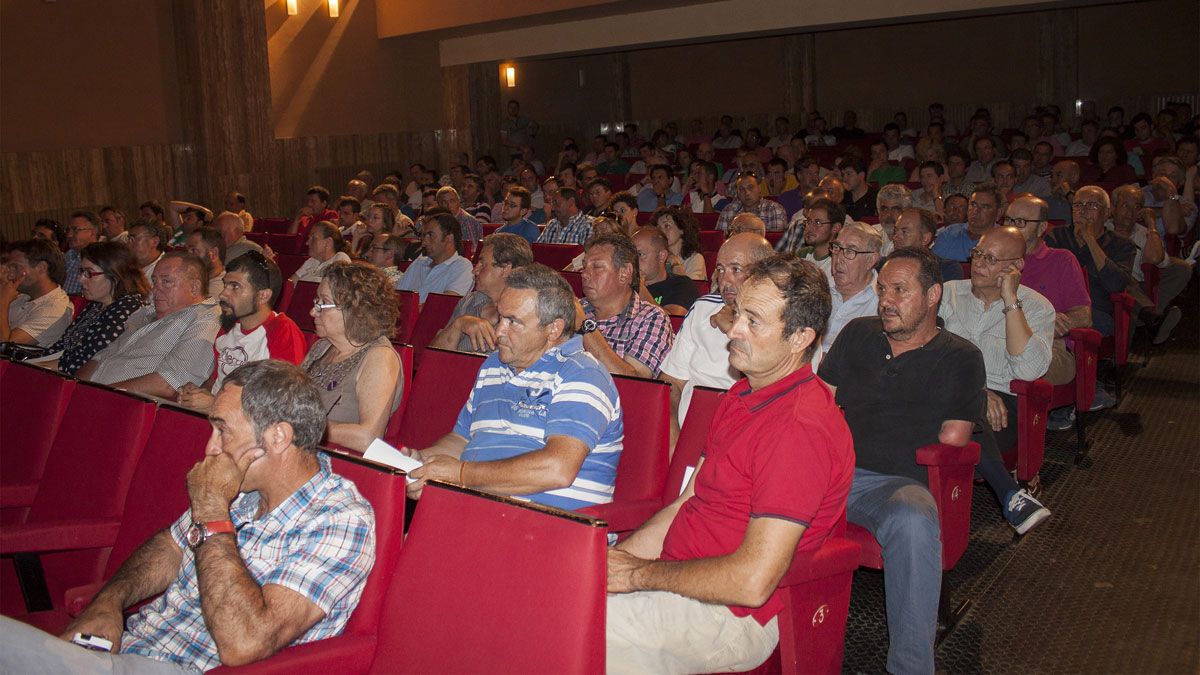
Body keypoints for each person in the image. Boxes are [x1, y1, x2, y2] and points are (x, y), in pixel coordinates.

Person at [0, 360, 375, 673]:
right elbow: (169, 547)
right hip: (132, 647)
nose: (210, 448)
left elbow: (245, 643)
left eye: (222, 430)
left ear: (277, 438)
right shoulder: (244, 491)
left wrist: (212, 509)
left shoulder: (339, 519)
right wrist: (107, 602)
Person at [606, 254, 854, 674]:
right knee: (558, 592)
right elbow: (687, 502)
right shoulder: (740, 397)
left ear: (800, 338)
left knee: (575, 630)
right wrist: (613, 566)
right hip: (673, 579)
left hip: (728, 615)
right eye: (738, 312)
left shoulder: (799, 429)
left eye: (753, 321)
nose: (733, 330)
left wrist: (634, 577)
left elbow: (753, 582)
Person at [818, 247, 985, 674]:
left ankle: (910, 668)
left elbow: (954, 438)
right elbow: (821, 403)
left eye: (900, 290)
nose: (886, 300)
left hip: (891, 485)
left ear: (933, 296)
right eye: (881, 290)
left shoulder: (960, 357)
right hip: (830, 470)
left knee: (913, 518)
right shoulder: (858, 333)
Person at [405, 263, 624, 511]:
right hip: (476, 512)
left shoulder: (582, 373)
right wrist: (422, 461)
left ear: (554, 329)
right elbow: (462, 439)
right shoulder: (493, 366)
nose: (498, 331)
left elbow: (557, 469)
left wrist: (462, 474)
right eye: (500, 317)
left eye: (513, 322)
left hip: (548, 528)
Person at [938, 227, 1055, 527]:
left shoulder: (1038, 307)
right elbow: (925, 352)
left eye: (991, 258)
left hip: (1003, 408)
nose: (979, 264)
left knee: (965, 413)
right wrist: (978, 390)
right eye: (978, 254)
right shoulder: (947, 293)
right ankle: (1010, 494)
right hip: (945, 393)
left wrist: (1010, 300)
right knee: (964, 404)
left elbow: (1029, 370)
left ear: (1015, 266)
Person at [659, 233, 774, 432]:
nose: (724, 281)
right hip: (688, 429)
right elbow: (671, 384)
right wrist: (672, 436)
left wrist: (731, 328)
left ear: (763, 274)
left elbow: (768, 398)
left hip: (745, 433)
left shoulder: (787, 325)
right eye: (720, 269)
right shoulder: (703, 309)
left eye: (736, 269)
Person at [78, 253, 221, 398]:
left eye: (166, 281)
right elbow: (102, 357)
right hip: (92, 394)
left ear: (194, 287)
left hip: (125, 405)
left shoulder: (205, 319)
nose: (155, 289)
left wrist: (99, 395)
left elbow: (170, 384)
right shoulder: (146, 312)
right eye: (154, 281)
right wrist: (76, 388)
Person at [178, 252, 307, 412]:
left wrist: (215, 404)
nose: (223, 294)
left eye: (235, 286)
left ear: (263, 296)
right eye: (225, 285)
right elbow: (217, 381)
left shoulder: (283, 331)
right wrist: (197, 392)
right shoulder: (228, 327)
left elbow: (280, 402)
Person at [301, 262, 403, 452]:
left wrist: (301, 426)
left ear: (355, 309)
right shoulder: (321, 348)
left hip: (337, 464)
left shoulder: (379, 357)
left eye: (323, 303)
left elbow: (369, 437)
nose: (313, 311)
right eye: (316, 302)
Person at [45, 242, 149, 376]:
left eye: (89, 273)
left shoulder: (127, 309)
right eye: (82, 272)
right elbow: (61, 346)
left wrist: (33, 367)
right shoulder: (97, 305)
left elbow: (80, 362)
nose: (80, 279)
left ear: (115, 275)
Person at [1045, 186, 1136, 339]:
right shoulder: (1058, 236)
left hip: (1096, 311)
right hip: (1056, 306)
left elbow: (1116, 285)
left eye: (1092, 205)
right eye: (1078, 205)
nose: (1083, 210)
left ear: (1106, 213)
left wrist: (1089, 239)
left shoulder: (1122, 245)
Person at [578, 233, 674, 378]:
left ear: (624, 273)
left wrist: (584, 326)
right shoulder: (577, 308)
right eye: (585, 266)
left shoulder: (651, 318)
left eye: (597, 267)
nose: (584, 274)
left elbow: (633, 383)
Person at [1107, 184, 1187, 345]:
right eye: (1124, 206)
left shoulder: (1143, 233)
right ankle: (1151, 318)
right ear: (1113, 208)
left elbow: (1156, 259)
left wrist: (1151, 224)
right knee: (1121, 279)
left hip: (1137, 284)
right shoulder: (1103, 228)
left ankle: (1149, 316)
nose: (1130, 213)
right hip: (1107, 281)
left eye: (1136, 207)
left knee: (1179, 268)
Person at [430, 233, 533, 354]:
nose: (474, 270)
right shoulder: (470, 301)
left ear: (505, 269)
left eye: (482, 264)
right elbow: (433, 356)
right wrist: (458, 325)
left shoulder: (527, 315)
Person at [1, 238, 73, 347]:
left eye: (16, 267)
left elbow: (5, 347)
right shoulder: (23, 296)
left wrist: (3, 302)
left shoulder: (55, 308)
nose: (10, 275)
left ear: (41, 267)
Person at [823, 222, 883, 356]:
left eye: (850, 251)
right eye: (837, 248)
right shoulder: (818, 288)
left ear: (871, 260)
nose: (838, 259)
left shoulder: (882, 303)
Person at [397, 212, 474, 303]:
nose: (424, 242)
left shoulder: (462, 266)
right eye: (424, 236)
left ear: (449, 238)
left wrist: (408, 308)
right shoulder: (419, 263)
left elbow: (442, 307)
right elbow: (397, 297)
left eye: (430, 235)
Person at [634, 227, 698, 315]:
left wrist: (639, 287)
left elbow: (672, 321)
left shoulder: (681, 284)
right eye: (630, 254)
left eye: (640, 254)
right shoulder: (623, 285)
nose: (633, 260)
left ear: (662, 256)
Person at [933, 183, 1003, 262]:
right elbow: (932, 268)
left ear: (998, 213)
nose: (976, 211)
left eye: (985, 207)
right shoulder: (949, 233)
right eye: (973, 205)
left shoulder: (1005, 241)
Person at [891, 207, 963, 282]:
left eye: (904, 232)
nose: (895, 237)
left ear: (925, 239)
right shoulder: (885, 265)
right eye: (895, 230)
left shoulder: (946, 269)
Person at [715, 172, 788, 232]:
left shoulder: (774, 209)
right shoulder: (728, 210)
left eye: (750, 187)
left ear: (759, 189)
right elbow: (720, 241)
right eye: (741, 189)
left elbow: (775, 242)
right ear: (737, 193)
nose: (746, 192)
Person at [650, 206, 706, 280]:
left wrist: (674, 262)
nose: (660, 231)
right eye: (658, 227)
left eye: (667, 226)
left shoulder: (696, 259)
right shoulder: (655, 257)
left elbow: (688, 289)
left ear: (682, 229)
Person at [185, 227, 227, 298]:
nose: (187, 256)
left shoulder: (219, 293)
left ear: (214, 254)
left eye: (193, 250)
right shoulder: (198, 281)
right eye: (186, 250)